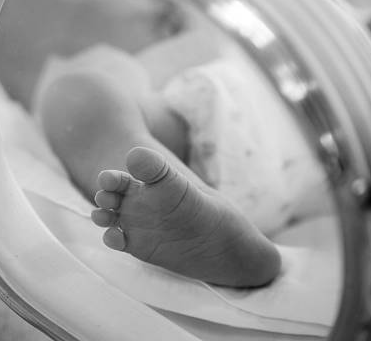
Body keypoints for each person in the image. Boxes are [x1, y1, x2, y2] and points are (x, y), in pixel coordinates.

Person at [36, 45, 284, 288]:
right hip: (283, 182)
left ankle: (171, 186)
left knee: (77, 97)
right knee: (87, 99)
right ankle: (228, 232)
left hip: (222, 105)